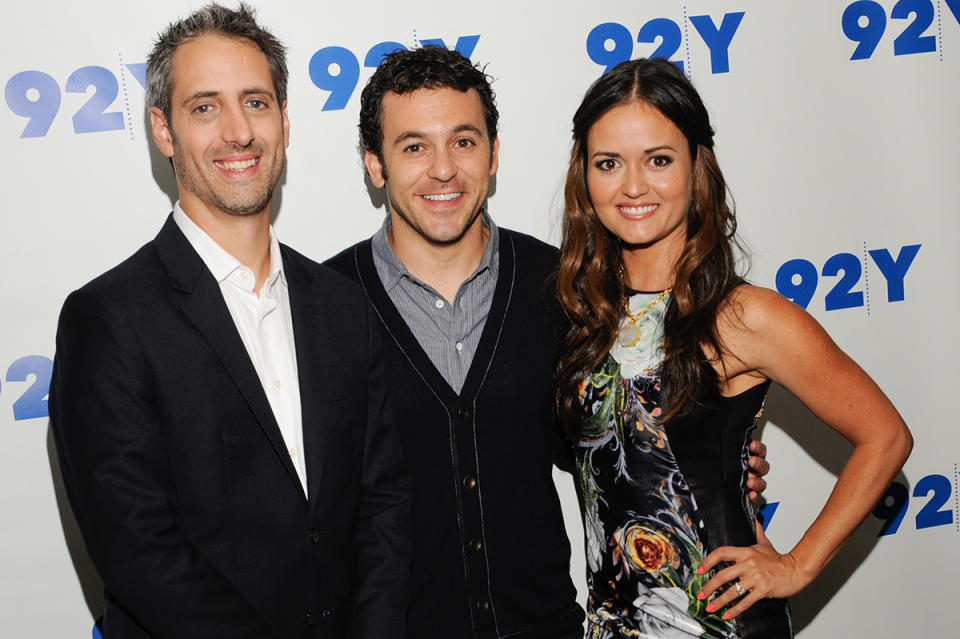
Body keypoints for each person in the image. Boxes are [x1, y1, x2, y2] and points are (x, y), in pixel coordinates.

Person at [326, 47, 769, 638]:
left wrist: (708, 452)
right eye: (413, 147)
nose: (442, 169)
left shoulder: (567, 288)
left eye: (463, 141)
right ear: (375, 165)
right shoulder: (324, 307)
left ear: (493, 154)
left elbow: (601, 445)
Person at [48, 4, 410, 638]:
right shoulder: (107, 319)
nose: (238, 132)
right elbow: (138, 550)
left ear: (286, 120)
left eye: (257, 102)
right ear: (163, 130)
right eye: (205, 107)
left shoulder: (342, 303)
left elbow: (384, 504)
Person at [555, 57, 913, 639]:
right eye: (609, 163)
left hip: (718, 623)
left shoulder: (742, 315)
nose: (633, 186)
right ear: (584, 177)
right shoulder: (584, 312)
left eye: (659, 160)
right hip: (617, 622)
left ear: (698, 167)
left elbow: (886, 435)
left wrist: (796, 564)